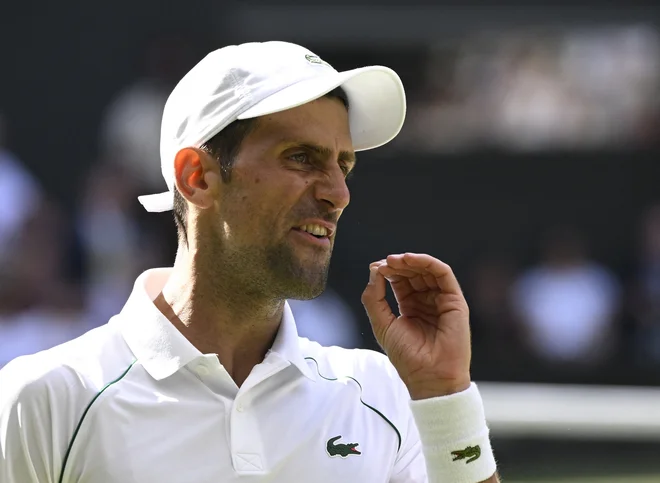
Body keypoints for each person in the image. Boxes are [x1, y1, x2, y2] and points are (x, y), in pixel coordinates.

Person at [0, 41, 499, 483]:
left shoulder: (384, 394)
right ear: (197, 177)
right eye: (302, 157)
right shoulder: (46, 398)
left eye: (343, 165)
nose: (338, 193)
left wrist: (445, 397)